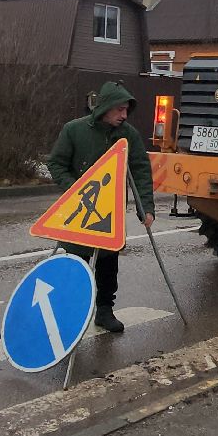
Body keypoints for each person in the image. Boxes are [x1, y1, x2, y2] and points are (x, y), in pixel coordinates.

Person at [46, 81, 155, 333]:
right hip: (78, 211)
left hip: (109, 212)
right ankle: (68, 314)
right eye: (119, 109)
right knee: (76, 263)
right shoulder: (74, 130)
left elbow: (140, 170)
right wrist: (75, 190)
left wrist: (145, 207)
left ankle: (104, 310)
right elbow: (57, 163)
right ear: (104, 107)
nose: (124, 115)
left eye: (126, 110)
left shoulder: (128, 135)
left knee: (108, 264)